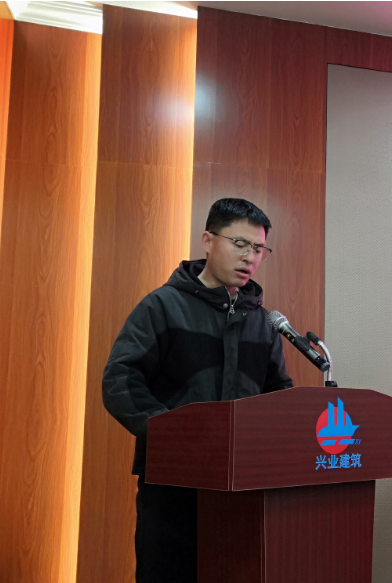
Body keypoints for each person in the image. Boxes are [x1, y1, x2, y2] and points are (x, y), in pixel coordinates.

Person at [102, 198, 293, 583]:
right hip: (174, 486)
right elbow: (120, 380)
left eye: (259, 249)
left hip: (244, 489)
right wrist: (173, 435)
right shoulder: (162, 306)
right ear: (208, 240)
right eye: (239, 244)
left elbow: (279, 397)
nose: (250, 257)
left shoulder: (263, 323)